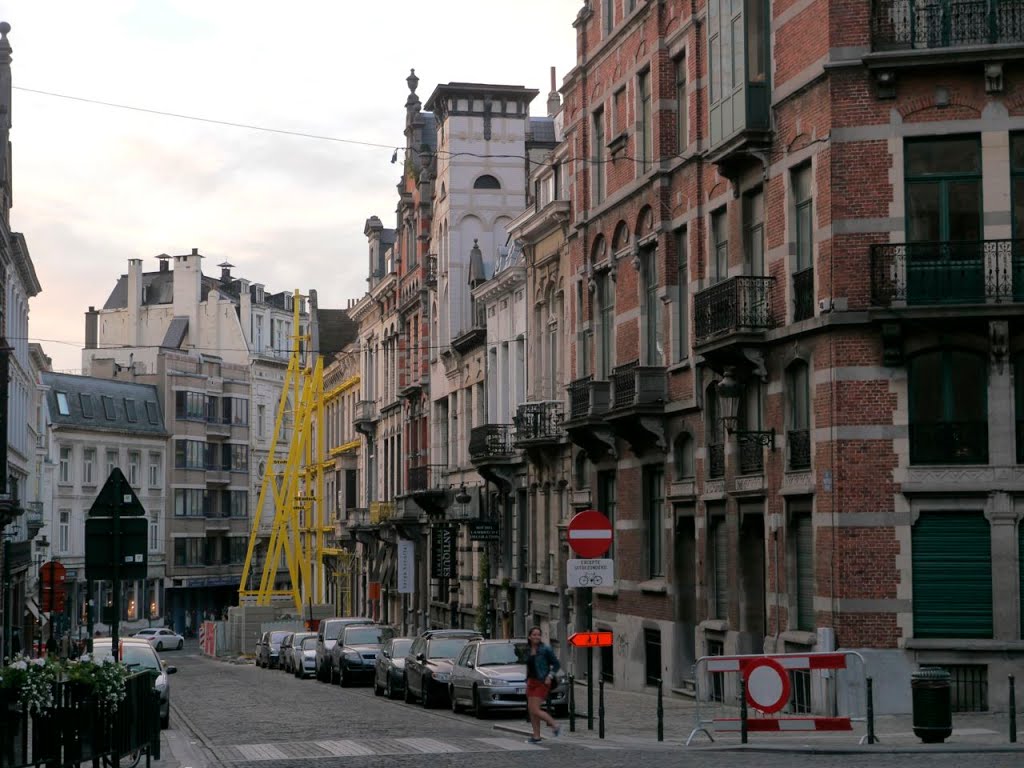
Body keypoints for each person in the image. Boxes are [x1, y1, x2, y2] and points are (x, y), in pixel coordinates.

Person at [525, 626, 561, 744]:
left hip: (542, 681)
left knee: (535, 709)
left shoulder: (545, 649)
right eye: (534, 635)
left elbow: (556, 664)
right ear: (529, 637)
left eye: (538, 635)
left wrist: (549, 676)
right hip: (531, 681)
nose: (536, 637)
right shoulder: (527, 649)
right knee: (531, 710)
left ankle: (554, 724)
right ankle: (536, 736)